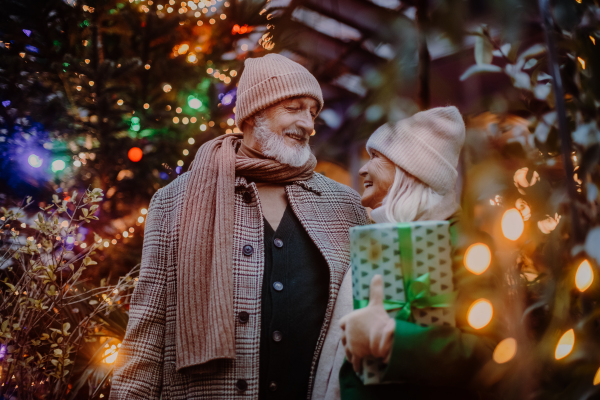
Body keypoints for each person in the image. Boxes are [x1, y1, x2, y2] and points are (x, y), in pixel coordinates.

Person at [110, 54, 369, 400]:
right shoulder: (175, 201)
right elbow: (146, 337)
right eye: (294, 107)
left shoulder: (346, 205)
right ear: (253, 113)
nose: (308, 124)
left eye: (313, 112)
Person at [338, 106, 498, 400]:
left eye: (375, 157)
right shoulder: (376, 238)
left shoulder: (465, 244)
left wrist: (389, 338)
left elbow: (489, 355)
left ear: (408, 171)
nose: (362, 168)